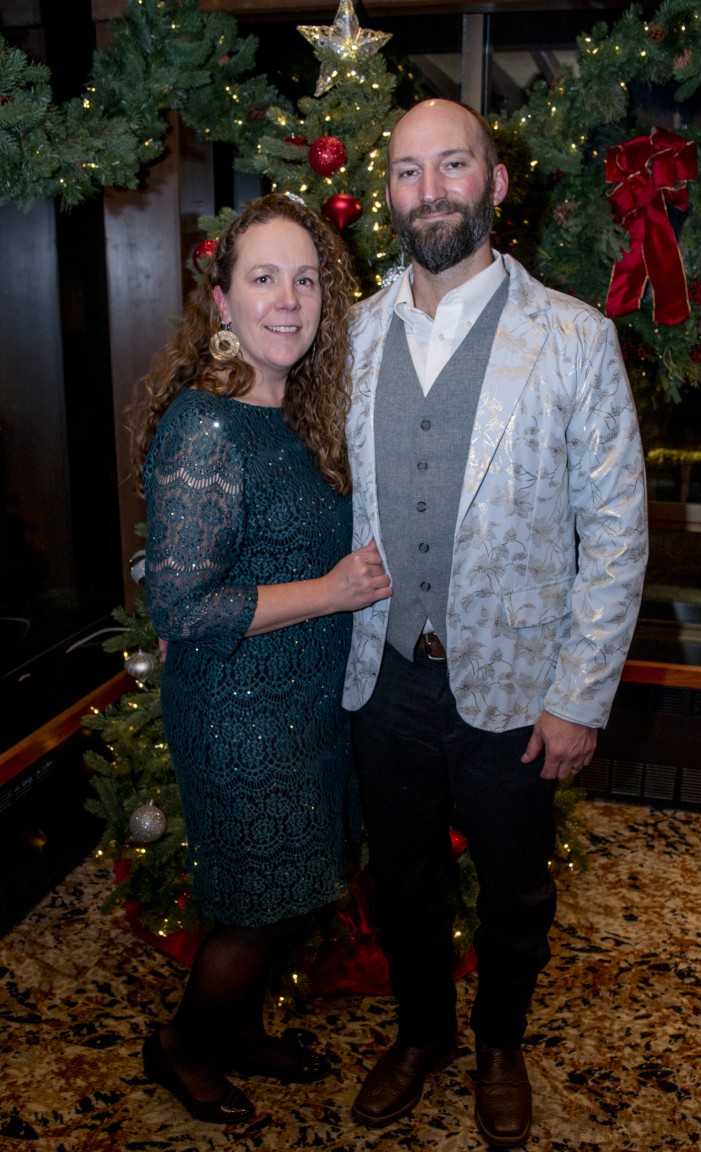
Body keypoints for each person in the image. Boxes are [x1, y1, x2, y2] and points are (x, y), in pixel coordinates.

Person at [343, 100, 648, 1146]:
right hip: (382, 674)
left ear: (496, 182)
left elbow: (617, 532)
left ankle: (499, 1045)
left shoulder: (575, 338)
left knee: (516, 889)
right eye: (408, 171)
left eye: (453, 165)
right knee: (404, 880)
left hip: (520, 683)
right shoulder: (352, 335)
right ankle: (424, 1034)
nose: (430, 191)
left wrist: (580, 697)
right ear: (389, 192)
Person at [131, 193, 391, 1124]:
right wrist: (332, 591)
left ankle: (238, 1030)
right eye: (264, 278)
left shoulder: (300, 416)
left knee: (297, 892)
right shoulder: (205, 425)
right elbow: (180, 606)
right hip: (238, 711)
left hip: (309, 702)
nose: (288, 300)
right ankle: (182, 1047)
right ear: (223, 301)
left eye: (306, 280)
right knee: (255, 907)